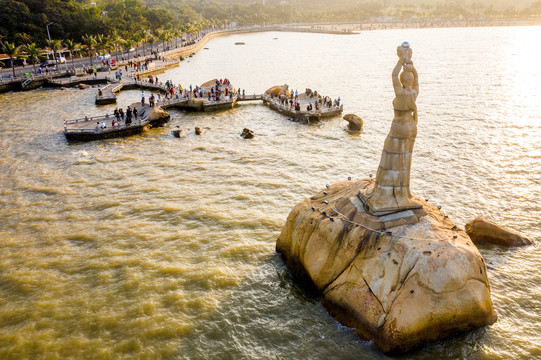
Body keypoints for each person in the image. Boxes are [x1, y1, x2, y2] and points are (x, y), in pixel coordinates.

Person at [360, 42, 422, 214]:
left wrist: (401, 61)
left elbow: (394, 75)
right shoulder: (413, 94)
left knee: (390, 158)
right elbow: (417, 81)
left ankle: (386, 193)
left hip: (398, 128)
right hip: (411, 128)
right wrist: (412, 66)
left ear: (402, 81)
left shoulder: (400, 93)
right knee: (404, 161)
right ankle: (402, 193)